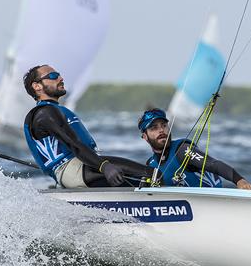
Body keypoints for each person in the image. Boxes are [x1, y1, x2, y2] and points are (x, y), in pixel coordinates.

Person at [23, 65, 154, 188]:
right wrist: (104, 166)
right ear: (37, 86)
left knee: (141, 181)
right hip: (74, 169)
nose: (60, 78)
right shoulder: (45, 112)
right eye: (52, 76)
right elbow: (73, 144)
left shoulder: (54, 110)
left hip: (84, 165)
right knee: (152, 175)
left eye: (59, 75)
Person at [138, 108, 251, 189]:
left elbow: (212, 164)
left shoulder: (182, 150)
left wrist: (239, 180)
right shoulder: (151, 164)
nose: (161, 130)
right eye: (153, 128)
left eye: (164, 125)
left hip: (212, 203)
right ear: (145, 136)